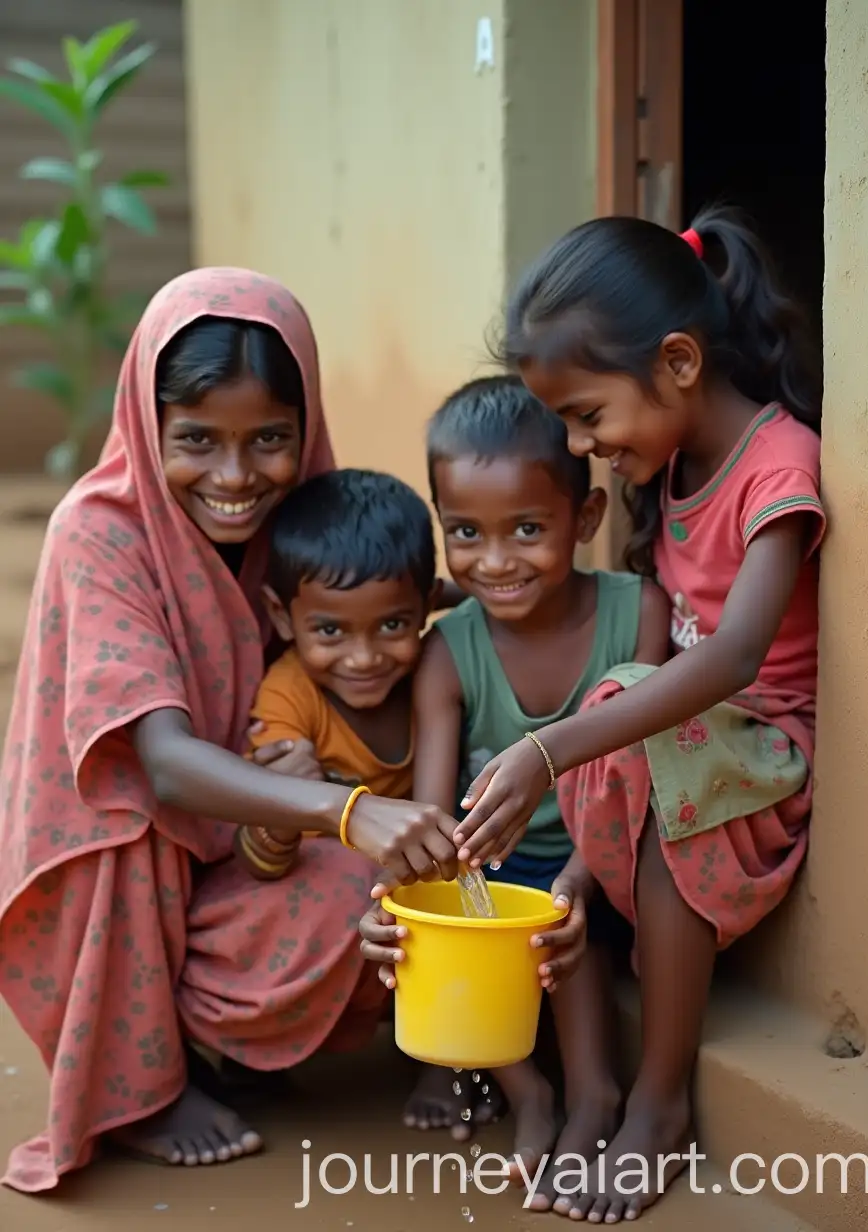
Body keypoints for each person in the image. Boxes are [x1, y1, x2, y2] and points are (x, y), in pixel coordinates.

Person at [0, 268, 464, 1194]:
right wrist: (345, 809)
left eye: (270, 441)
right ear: (146, 422)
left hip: (252, 837)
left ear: (308, 429)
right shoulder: (100, 535)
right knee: (138, 822)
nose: (236, 476)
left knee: (376, 899)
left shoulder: (303, 527)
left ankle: (240, 1040)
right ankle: (143, 1086)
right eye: (198, 441)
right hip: (128, 848)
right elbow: (165, 765)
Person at [448, 207, 825, 1220]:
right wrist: (574, 855)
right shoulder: (673, 473)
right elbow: (663, 680)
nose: (582, 447)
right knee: (631, 704)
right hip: (690, 753)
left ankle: (659, 1103)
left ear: (678, 361)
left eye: (586, 416)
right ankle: (626, 1080)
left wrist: (543, 748)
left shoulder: (776, 463)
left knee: (620, 702)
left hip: (767, 751)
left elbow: (738, 656)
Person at [359, 376, 671, 1161]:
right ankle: (529, 1094)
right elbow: (437, 820)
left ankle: (594, 1094)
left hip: (609, 858)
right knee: (469, 927)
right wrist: (402, 902)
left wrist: (576, 880)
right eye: (465, 533)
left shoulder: (641, 613)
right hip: (497, 866)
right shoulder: (448, 650)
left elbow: (637, 775)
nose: (495, 562)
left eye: (527, 528)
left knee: (571, 931)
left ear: (586, 517)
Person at [237, 467, 438, 879]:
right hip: (326, 883)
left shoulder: (439, 667)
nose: (363, 659)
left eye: (391, 625)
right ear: (282, 616)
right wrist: (281, 807)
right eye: (330, 631)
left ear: (427, 605)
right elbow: (260, 865)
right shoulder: (288, 698)